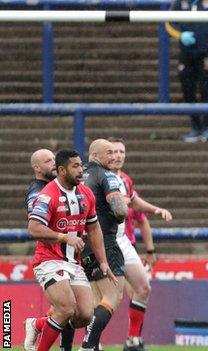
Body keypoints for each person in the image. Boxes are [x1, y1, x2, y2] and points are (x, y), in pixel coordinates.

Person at [23, 149, 117, 351]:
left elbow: (94, 228)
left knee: (84, 315)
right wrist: (64, 237)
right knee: (66, 308)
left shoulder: (86, 194)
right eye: (75, 166)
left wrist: (103, 262)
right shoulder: (47, 194)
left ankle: (36, 324)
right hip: (49, 260)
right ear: (62, 170)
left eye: (80, 165)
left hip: (74, 263)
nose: (80, 170)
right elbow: (33, 228)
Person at [108, 137, 173, 351]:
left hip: (126, 243)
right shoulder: (98, 177)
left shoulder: (125, 179)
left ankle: (132, 341)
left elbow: (137, 210)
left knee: (142, 288)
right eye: (114, 151)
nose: (118, 156)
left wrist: (155, 210)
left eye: (121, 152)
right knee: (102, 300)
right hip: (103, 244)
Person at [79, 139, 129, 351]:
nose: (114, 156)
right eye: (109, 152)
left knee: (95, 300)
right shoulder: (107, 175)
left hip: (83, 244)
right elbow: (120, 210)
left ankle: (92, 345)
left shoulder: (78, 175)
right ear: (96, 154)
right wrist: (118, 217)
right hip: (105, 242)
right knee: (113, 296)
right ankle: (88, 345)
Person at [166, 0, 208, 142]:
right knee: (187, 89)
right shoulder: (180, 2)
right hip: (187, 53)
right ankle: (195, 127)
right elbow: (168, 22)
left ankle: (207, 128)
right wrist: (180, 35)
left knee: (206, 88)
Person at [25, 149, 57, 215]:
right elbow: (34, 223)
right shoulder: (37, 192)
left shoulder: (56, 185)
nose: (54, 163)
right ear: (37, 168)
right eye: (48, 161)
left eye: (54, 159)